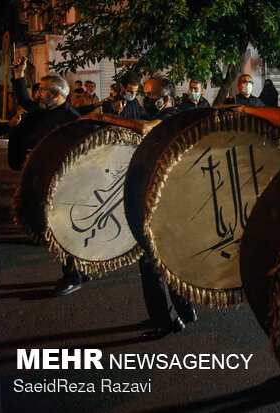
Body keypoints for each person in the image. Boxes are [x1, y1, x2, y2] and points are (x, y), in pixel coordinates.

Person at [86, 76, 196, 339]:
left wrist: (103, 118)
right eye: (145, 94)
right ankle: (185, 310)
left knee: (151, 263)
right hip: (166, 196)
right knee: (167, 259)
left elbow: (145, 128)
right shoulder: (169, 113)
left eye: (151, 95)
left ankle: (166, 321)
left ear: (167, 98)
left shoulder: (170, 115)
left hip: (164, 200)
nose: (146, 99)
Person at [10, 56, 90, 296]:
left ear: (56, 94)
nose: (37, 95)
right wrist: (18, 75)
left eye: (42, 91)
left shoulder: (71, 120)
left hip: (66, 185)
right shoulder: (45, 111)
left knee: (65, 231)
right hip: (48, 181)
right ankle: (81, 270)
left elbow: (82, 155)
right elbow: (24, 99)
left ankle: (73, 276)